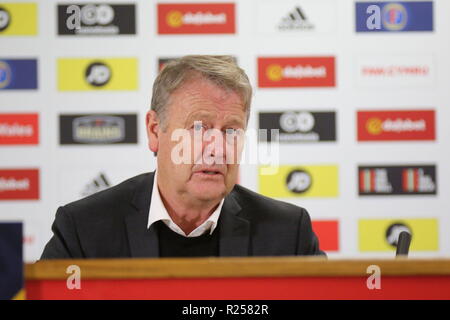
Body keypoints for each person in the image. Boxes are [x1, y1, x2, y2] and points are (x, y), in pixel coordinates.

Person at [41, 55, 325, 259]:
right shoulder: (84, 229)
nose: (217, 148)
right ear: (155, 131)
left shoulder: (288, 233)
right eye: (198, 128)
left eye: (231, 131)